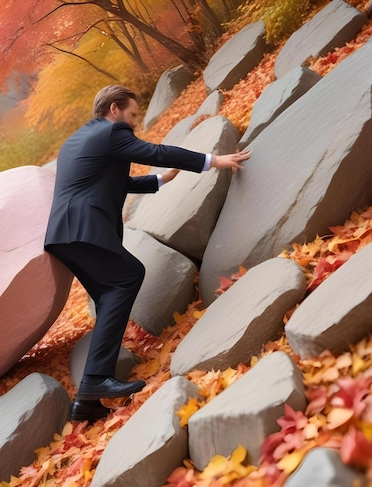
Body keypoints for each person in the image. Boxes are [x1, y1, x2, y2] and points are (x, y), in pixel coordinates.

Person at [44, 85, 250, 422]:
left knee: (111, 294)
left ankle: (87, 401)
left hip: (64, 236)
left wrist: (159, 181)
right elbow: (155, 151)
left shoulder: (78, 141)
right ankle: (95, 380)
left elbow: (109, 182)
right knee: (128, 277)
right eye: (132, 115)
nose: (134, 122)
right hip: (86, 231)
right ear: (114, 109)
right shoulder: (112, 133)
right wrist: (213, 160)